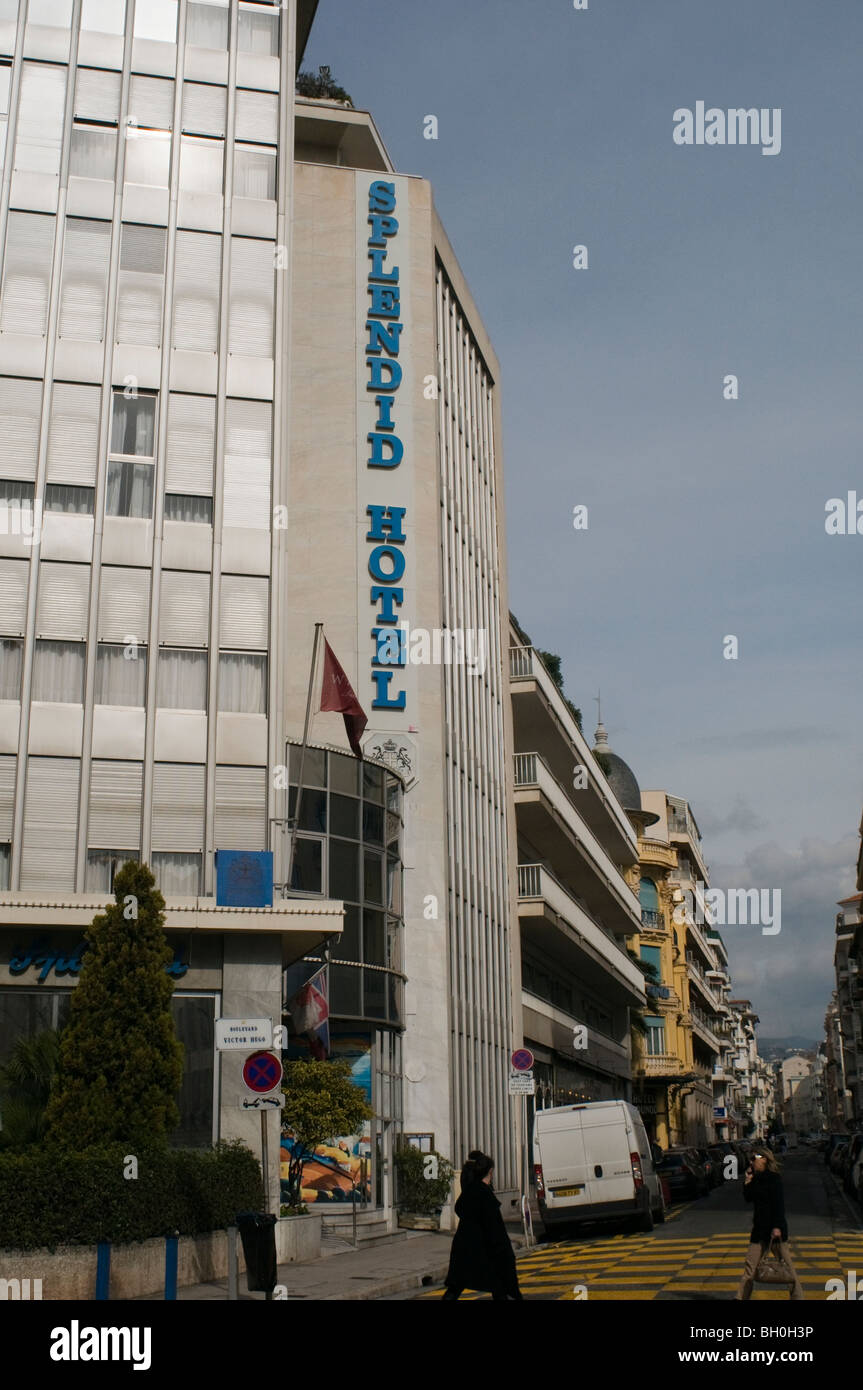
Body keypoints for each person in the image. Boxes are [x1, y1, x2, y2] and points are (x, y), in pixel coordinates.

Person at [441, 1151, 523, 1300]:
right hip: (486, 1249)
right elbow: (495, 1229)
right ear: (490, 1171)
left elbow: (459, 1209)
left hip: (464, 1247)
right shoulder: (485, 1195)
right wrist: (505, 1252)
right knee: (499, 1285)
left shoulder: (469, 1192)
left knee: (456, 1286)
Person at [734, 1146, 804, 1300]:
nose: (751, 1162)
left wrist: (777, 1226)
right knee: (749, 1269)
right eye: (751, 1159)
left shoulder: (774, 1178)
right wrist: (747, 1180)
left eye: (754, 1158)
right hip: (759, 1231)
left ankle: (798, 1297)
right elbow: (748, 1198)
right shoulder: (756, 1178)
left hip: (774, 1230)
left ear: (764, 1159)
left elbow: (778, 1204)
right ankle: (740, 1297)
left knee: (788, 1270)